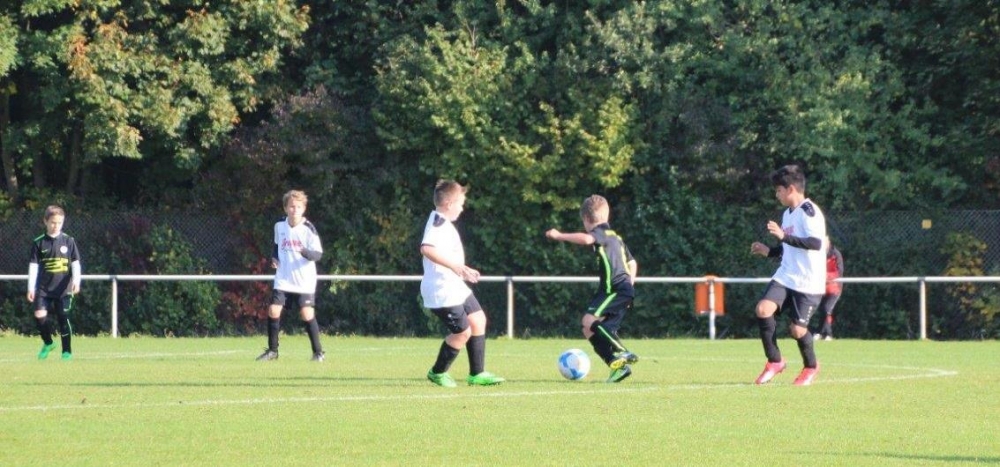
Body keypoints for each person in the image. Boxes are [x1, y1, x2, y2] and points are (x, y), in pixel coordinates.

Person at [546, 194, 639, 383]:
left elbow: (587, 240)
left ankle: (622, 351)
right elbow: (632, 263)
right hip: (621, 289)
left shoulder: (601, 233)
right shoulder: (615, 237)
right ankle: (617, 367)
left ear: (586, 219)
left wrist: (559, 235)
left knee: (589, 320)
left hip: (615, 289)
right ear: (607, 214)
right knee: (588, 328)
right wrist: (630, 286)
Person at [421, 180, 505, 387]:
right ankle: (437, 372)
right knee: (463, 333)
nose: (462, 208)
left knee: (478, 319)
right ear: (449, 204)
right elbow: (427, 249)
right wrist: (456, 267)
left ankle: (477, 373)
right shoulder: (438, 223)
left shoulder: (443, 222)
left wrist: (463, 269)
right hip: (441, 290)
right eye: (460, 203)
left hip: (454, 285)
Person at [749, 164, 827, 386]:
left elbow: (815, 243)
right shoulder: (787, 214)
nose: (777, 195)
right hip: (786, 276)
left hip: (808, 282)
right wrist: (769, 251)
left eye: (778, 190)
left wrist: (783, 236)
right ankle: (775, 361)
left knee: (797, 330)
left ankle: (811, 366)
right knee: (763, 309)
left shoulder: (809, 211)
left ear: (791, 189)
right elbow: (788, 248)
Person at [256, 190, 326, 362]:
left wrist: (304, 252)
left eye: (298, 207)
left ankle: (318, 352)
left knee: (306, 313)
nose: (295, 210)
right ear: (286, 208)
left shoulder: (308, 229)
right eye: (292, 206)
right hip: (283, 277)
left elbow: (318, 254)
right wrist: (274, 258)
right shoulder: (279, 225)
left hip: (304, 280)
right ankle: (272, 351)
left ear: (304, 209)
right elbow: (276, 246)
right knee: (273, 310)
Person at [27, 205, 82, 361]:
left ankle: (66, 352)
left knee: (63, 318)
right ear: (45, 221)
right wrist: (31, 287)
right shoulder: (39, 242)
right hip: (43, 288)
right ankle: (48, 343)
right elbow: (33, 266)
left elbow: (76, 263)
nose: (56, 225)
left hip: (63, 289)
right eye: (52, 222)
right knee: (39, 316)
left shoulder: (69, 241)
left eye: (59, 223)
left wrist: (76, 281)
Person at [813, 243, 844, 341]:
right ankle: (822, 333)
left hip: (834, 288)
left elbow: (839, 272)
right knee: (823, 310)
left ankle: (826, 333)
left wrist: (826, 276)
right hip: (821, 288)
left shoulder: (836, 254)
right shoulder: (816, 253)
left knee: (826, 309)